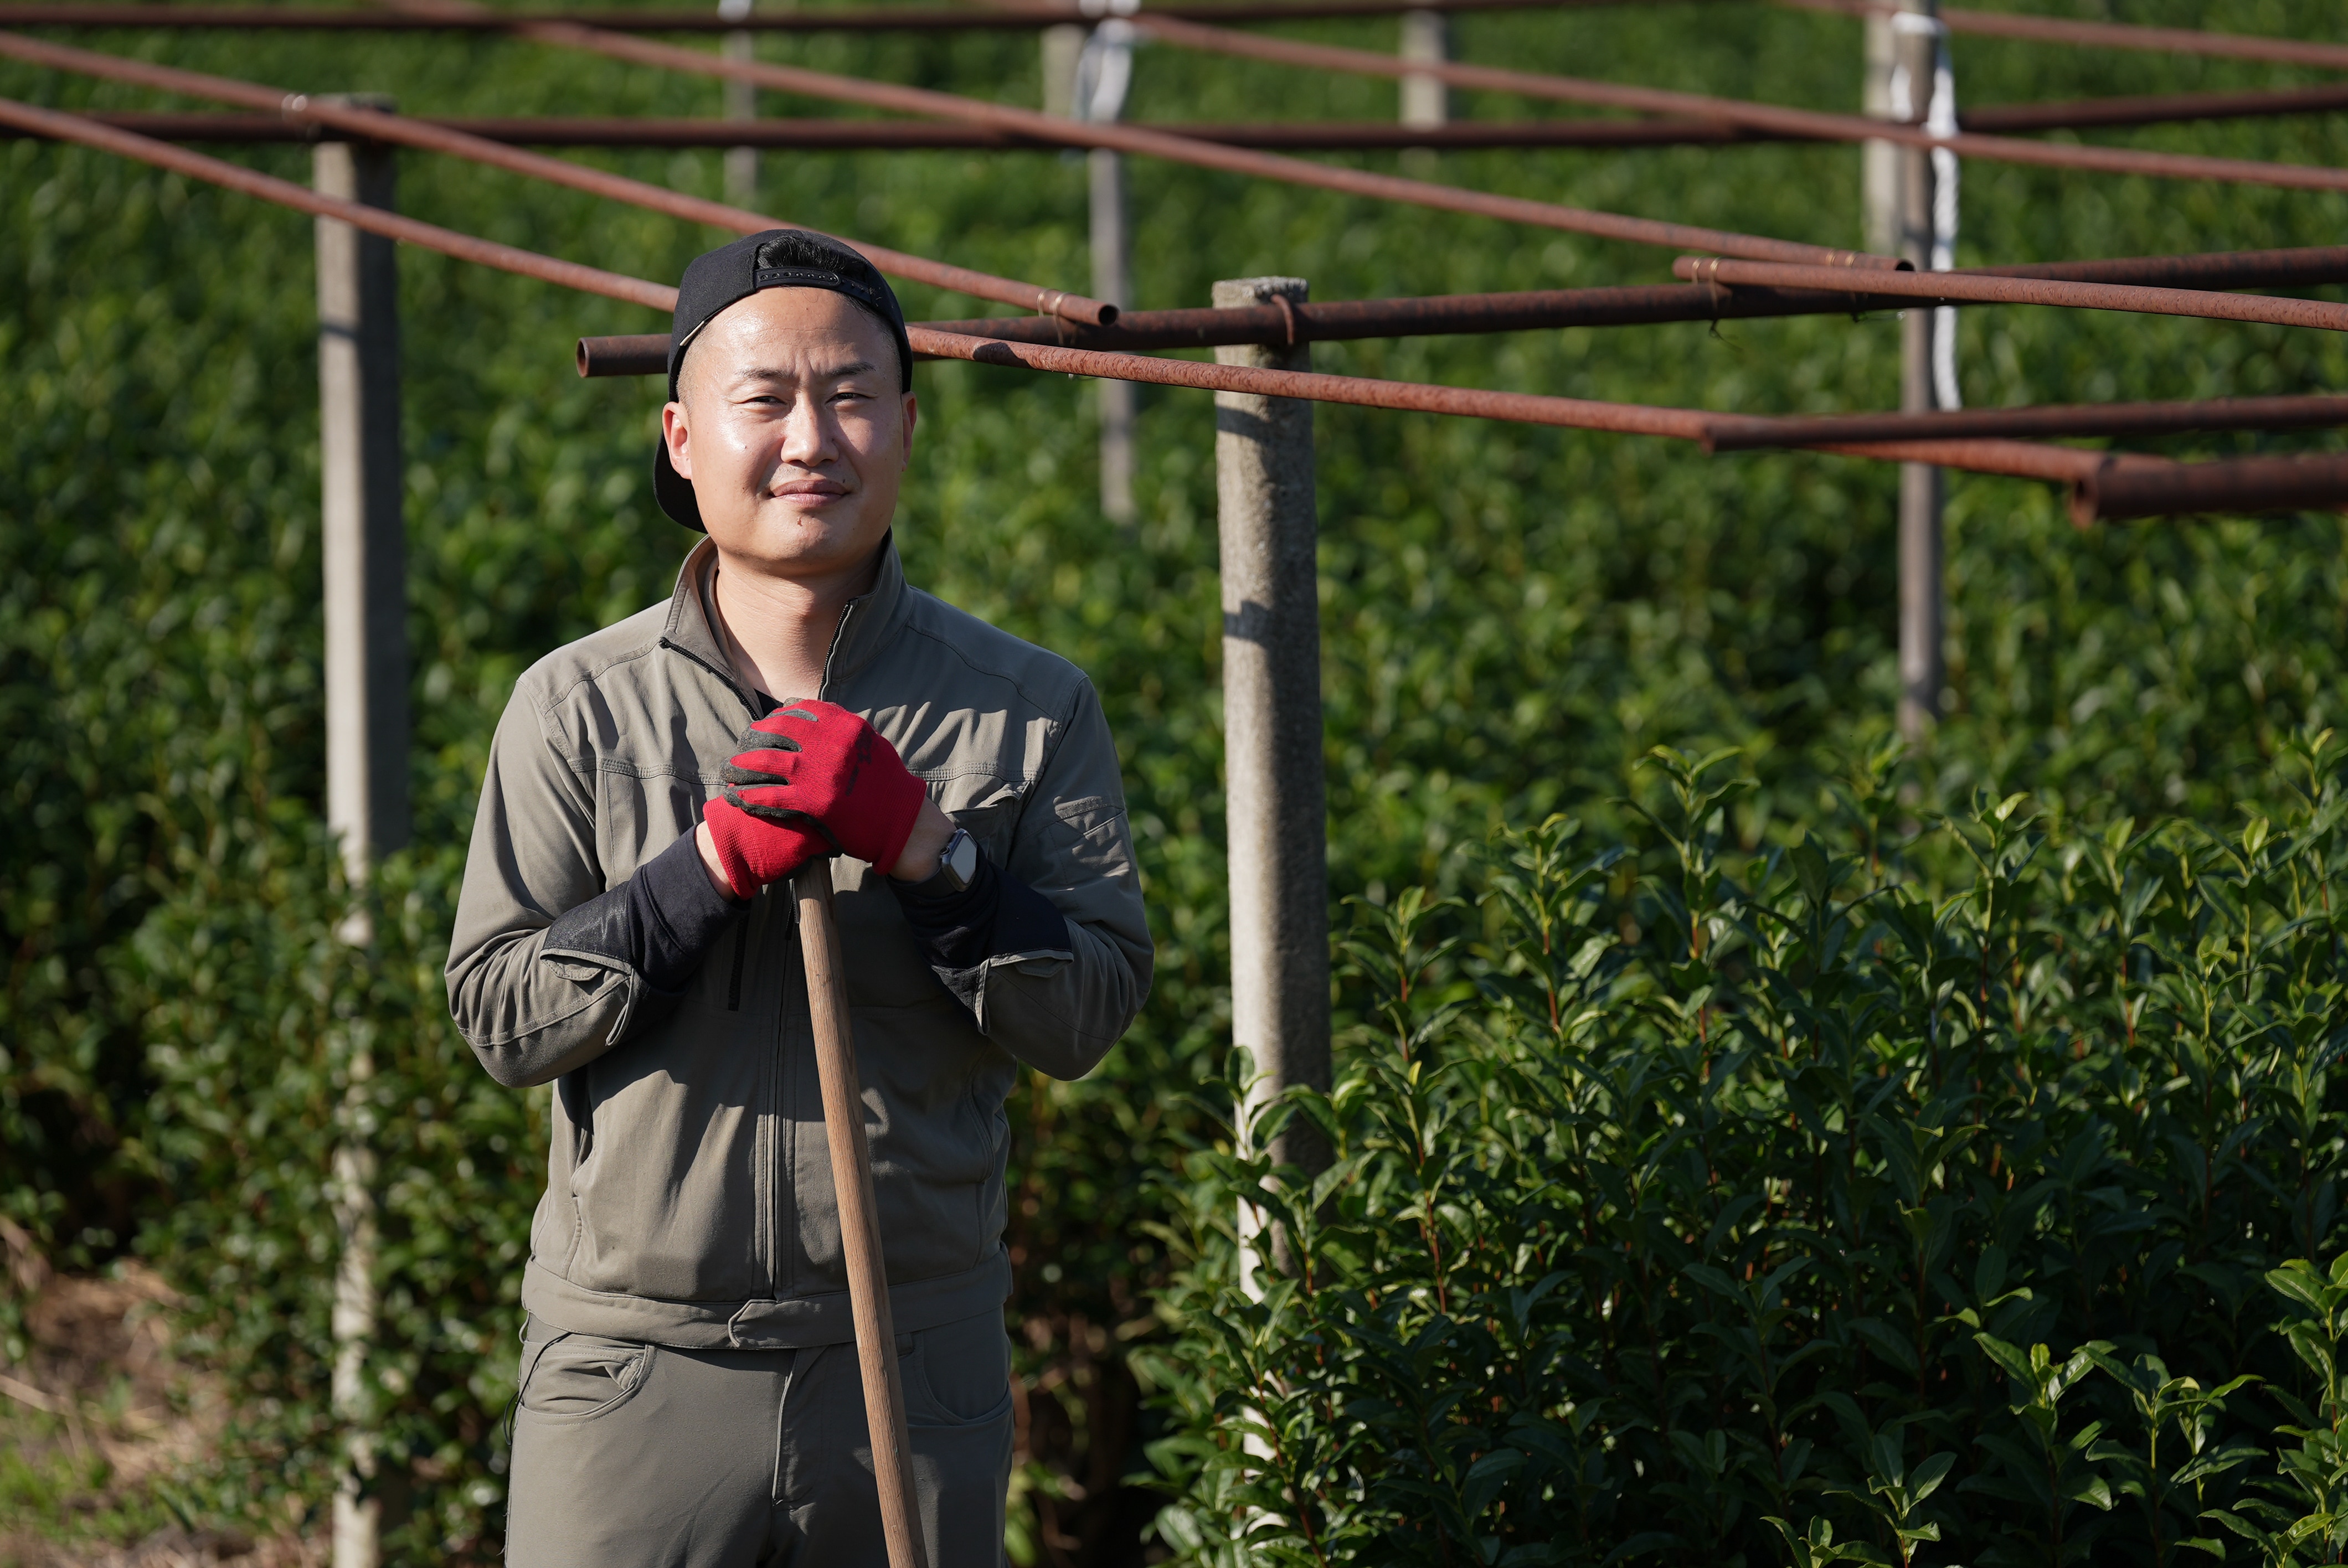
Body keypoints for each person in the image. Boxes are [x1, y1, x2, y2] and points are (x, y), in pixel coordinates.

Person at [446, 228, 1152, 1567]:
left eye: (850, 395)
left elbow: (1088, 1014)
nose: (810, 437)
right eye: (763, 398)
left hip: (908, 1355)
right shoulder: (576, 706)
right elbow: (498, 1014)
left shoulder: (1027, 703)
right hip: (635, 1363)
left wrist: (935, 861)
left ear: (905, 424)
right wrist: (698, 876)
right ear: (679, 435)